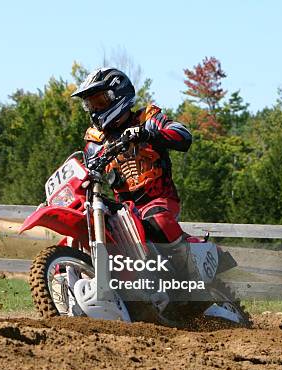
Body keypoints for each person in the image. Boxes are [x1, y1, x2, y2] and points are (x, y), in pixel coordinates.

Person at [71, 67, 193, 274]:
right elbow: (86, 173)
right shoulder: (95, 141)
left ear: (118, 95)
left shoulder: (147, 119)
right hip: (124, 210)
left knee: (157, 219)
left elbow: (183, 136)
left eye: (99, 101)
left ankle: (191, 276)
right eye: (90, 104)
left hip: (159, 200)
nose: (94, 109)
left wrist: (148, 134)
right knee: (88, 223)